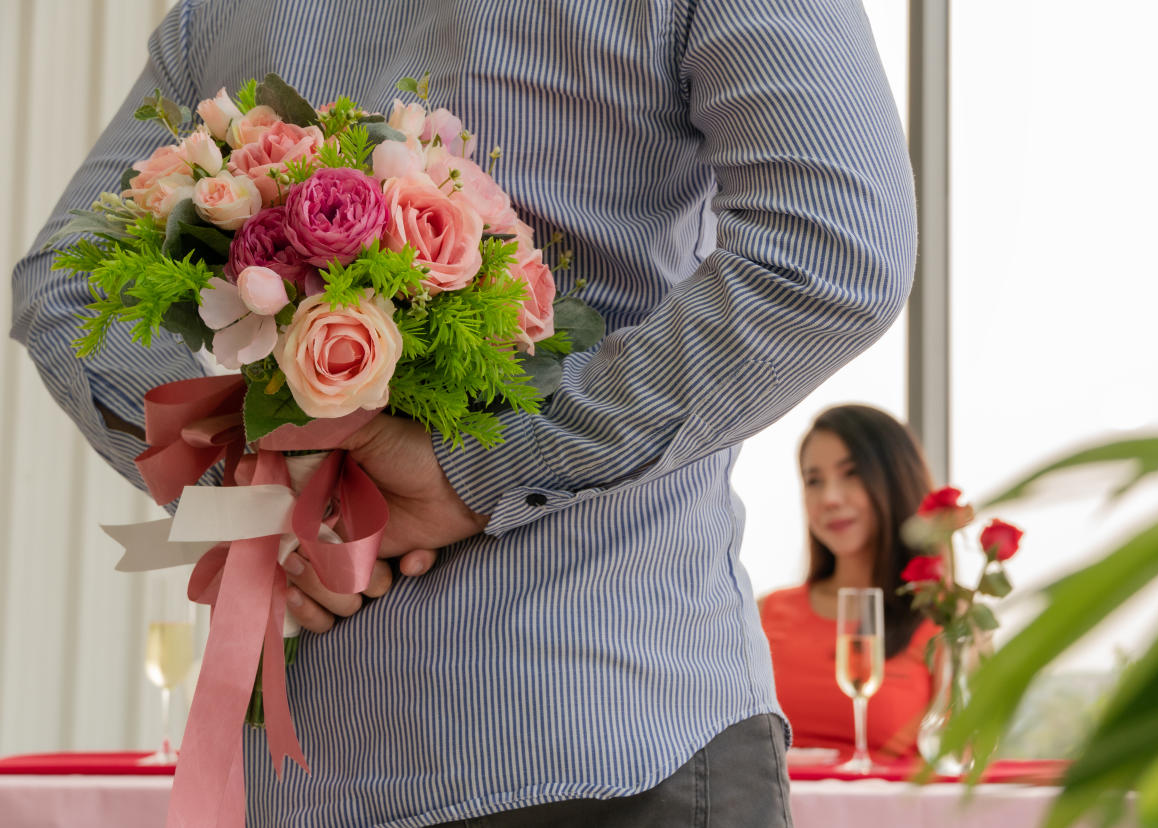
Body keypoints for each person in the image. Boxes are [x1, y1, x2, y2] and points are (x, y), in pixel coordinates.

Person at [11, 0, 917, 824]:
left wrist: (285, 504)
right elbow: (832, 254)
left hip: (402, 762)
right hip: (600, 719)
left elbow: (64, 289)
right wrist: (338, 495)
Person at [760, 405, 939, 761]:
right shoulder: (766, 613)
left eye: (851, 474)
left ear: (896, 480)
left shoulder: (945, 619)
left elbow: (964, 759)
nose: (830, 498)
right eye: (814, 480)